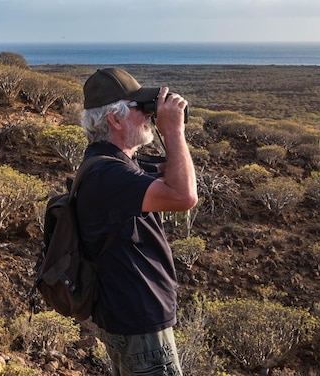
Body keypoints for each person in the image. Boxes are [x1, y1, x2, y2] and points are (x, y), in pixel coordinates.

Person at [77, 67, 197, 375]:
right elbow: (184, 196)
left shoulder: (111, 163)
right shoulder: (110, 175)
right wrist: (173, 131)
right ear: (114, 120)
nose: (147, 115)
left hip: (129, 319)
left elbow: (171, 170)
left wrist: (169, 127)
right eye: (138, 108)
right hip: (139, 327)